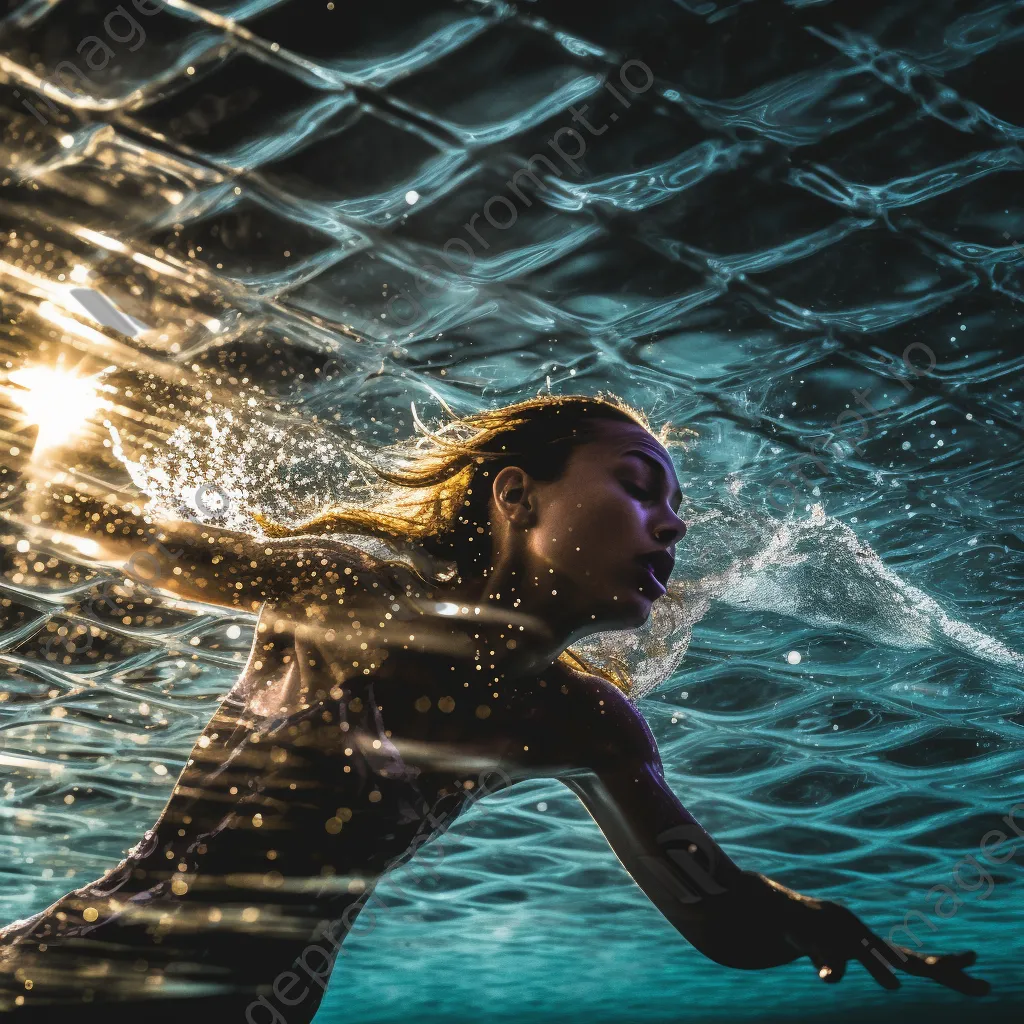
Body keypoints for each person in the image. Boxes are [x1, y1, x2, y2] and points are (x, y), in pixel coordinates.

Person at [0, 394, 990, 1021]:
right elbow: (93, 524)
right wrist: (65, 399)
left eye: (675, 508)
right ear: (516, 497)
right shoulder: (350, 593)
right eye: (640, 487)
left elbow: (716, 917)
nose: (673, 522)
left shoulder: (584, 722)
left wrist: (811, 917)